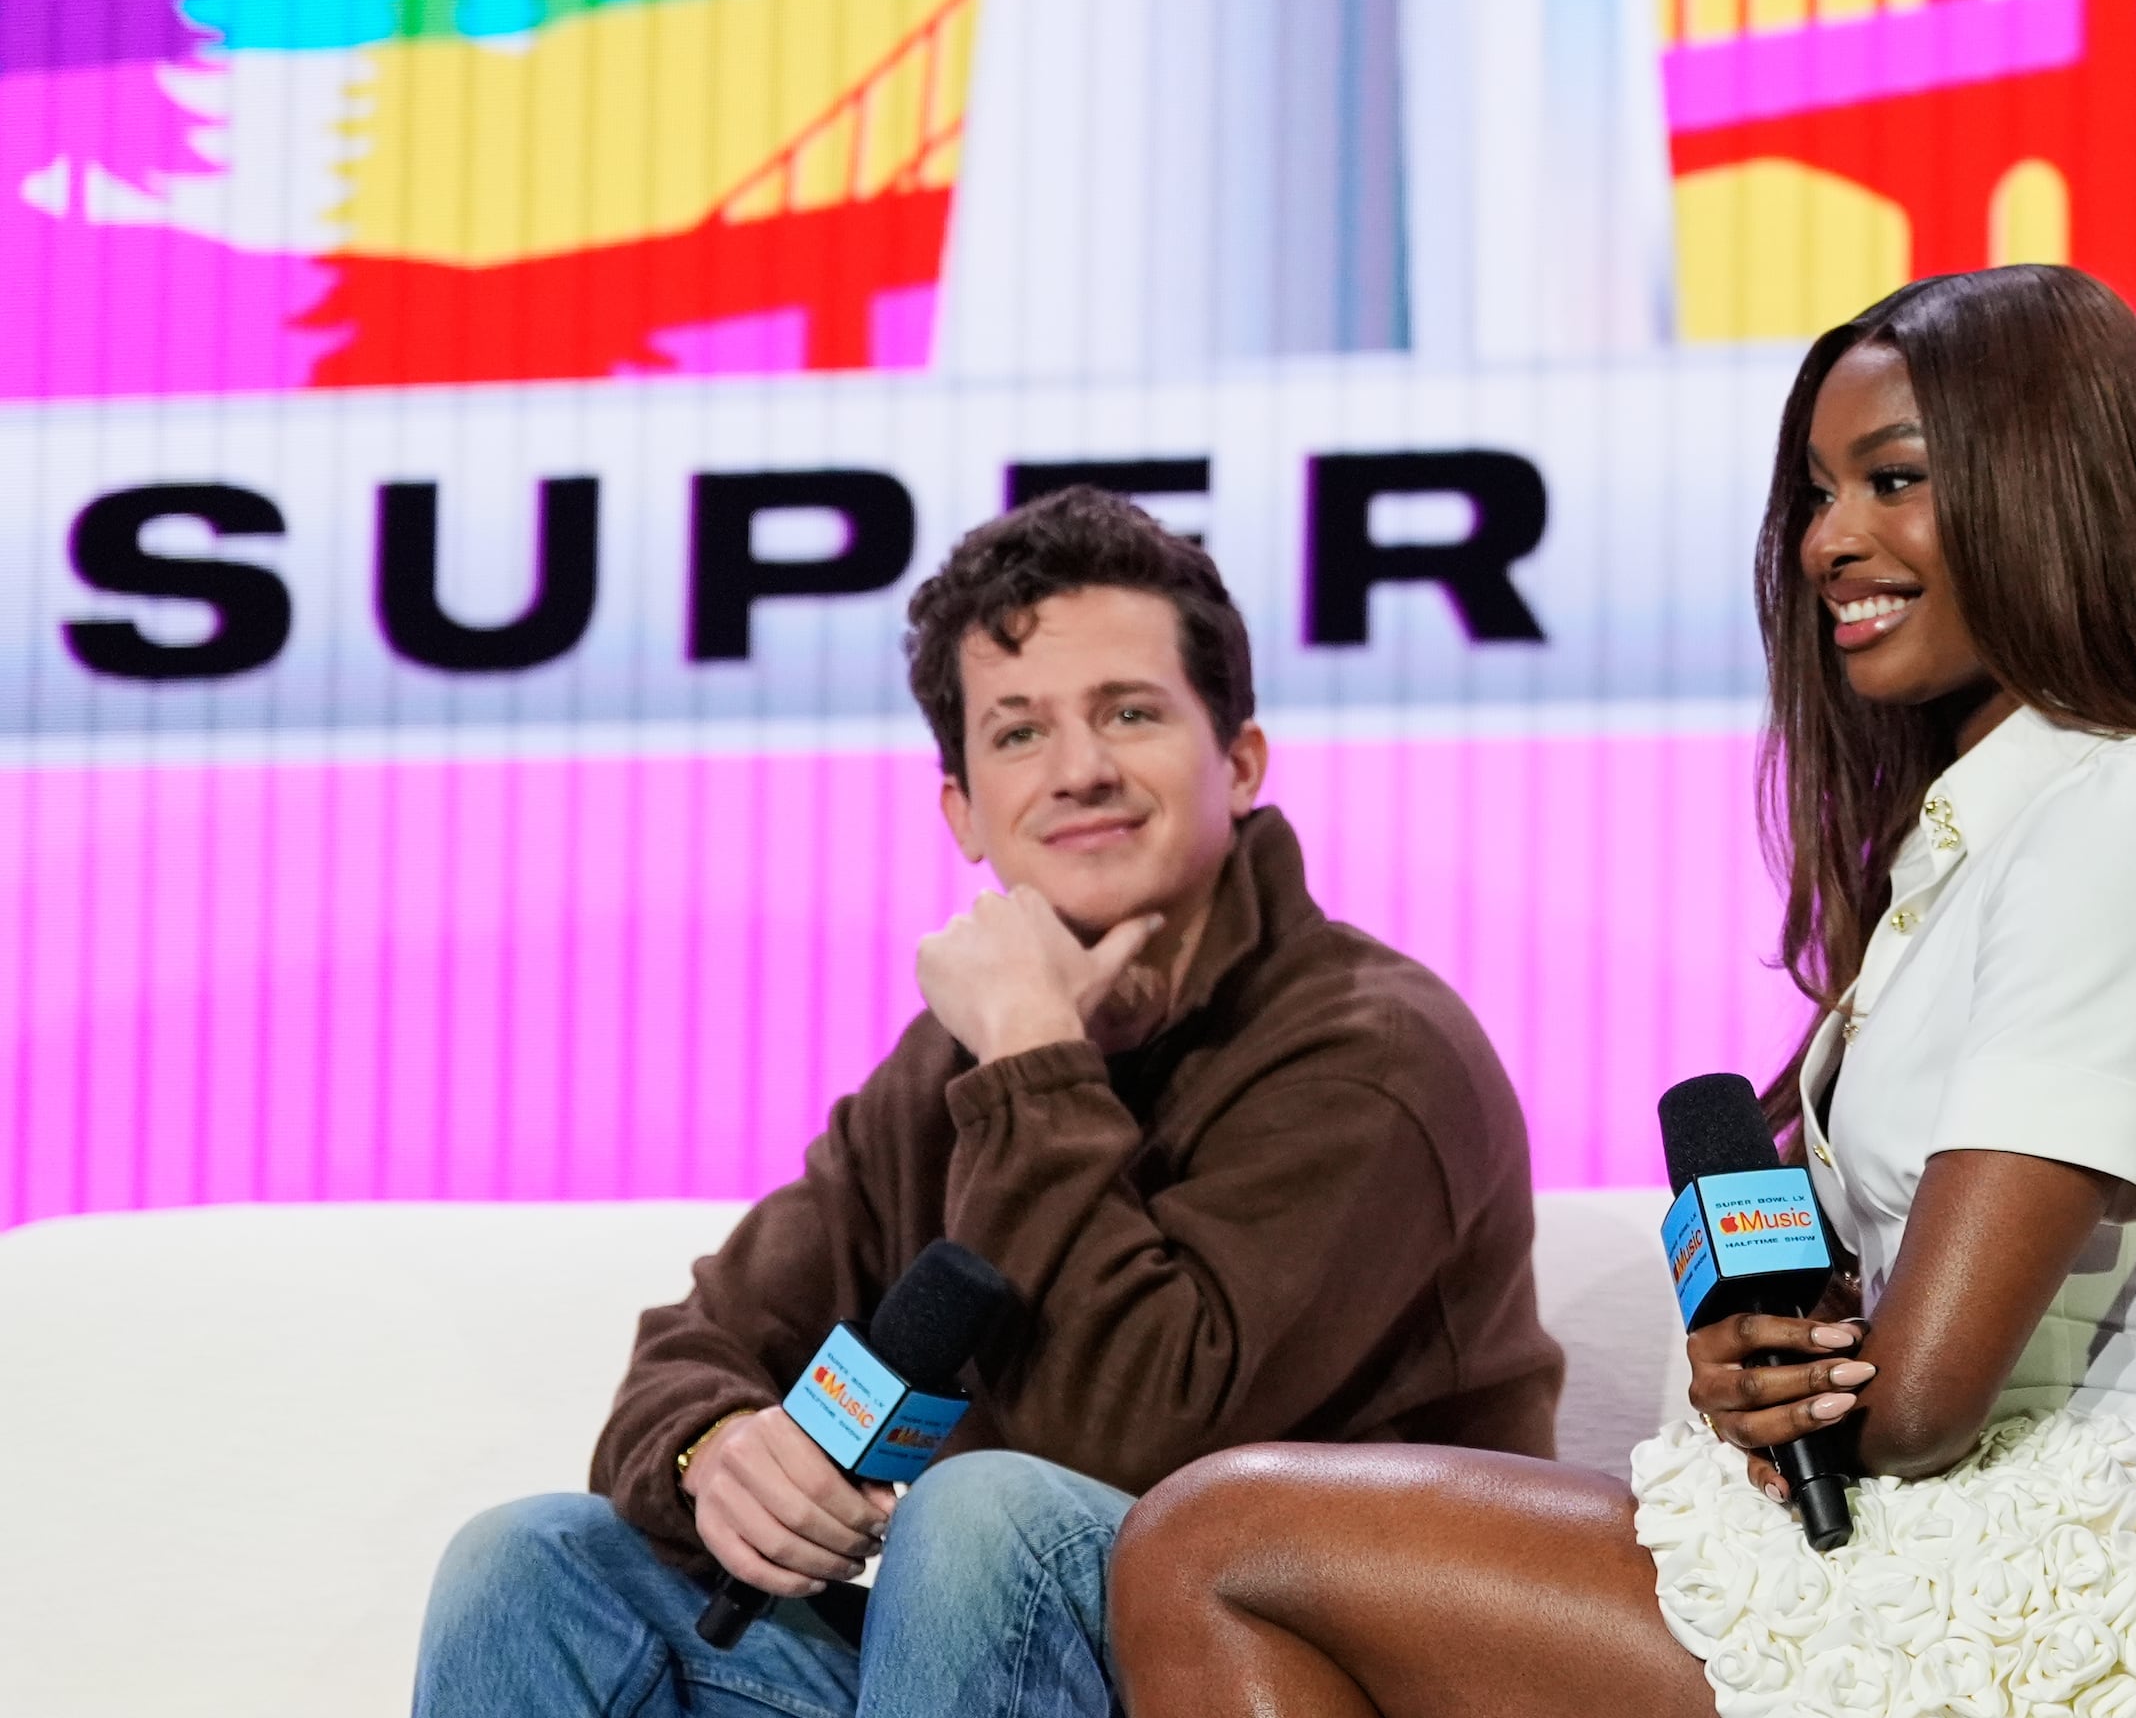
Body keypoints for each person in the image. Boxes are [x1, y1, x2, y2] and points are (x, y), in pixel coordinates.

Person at [1103, 263, 2136, 1716]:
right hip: (1921, 1542)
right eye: (1817, 496)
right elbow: (1874, 1362)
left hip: (2050, 1602)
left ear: (2054, 492)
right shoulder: (1991, 832)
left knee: (1212, 1545)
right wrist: (1749, 1369)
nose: (1831, 543)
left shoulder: (2125, 819)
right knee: (1212, 1546)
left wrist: (1800, 1389)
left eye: (1891, 481)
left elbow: (1910, 1406)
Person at [412, 487, 1564, 1718]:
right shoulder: (953, 1058)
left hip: (1301, 1672)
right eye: (1017, 734)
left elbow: (1125, 1443)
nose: (1079, 770)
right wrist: (717, 1453)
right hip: (1003, 1674)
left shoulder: (1374, 1051)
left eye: (1129, 712)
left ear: (1238, 761)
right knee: (530, 1564)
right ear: (962, 808)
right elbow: (704, 1347)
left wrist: (1030, 1055)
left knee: (985, 1514)